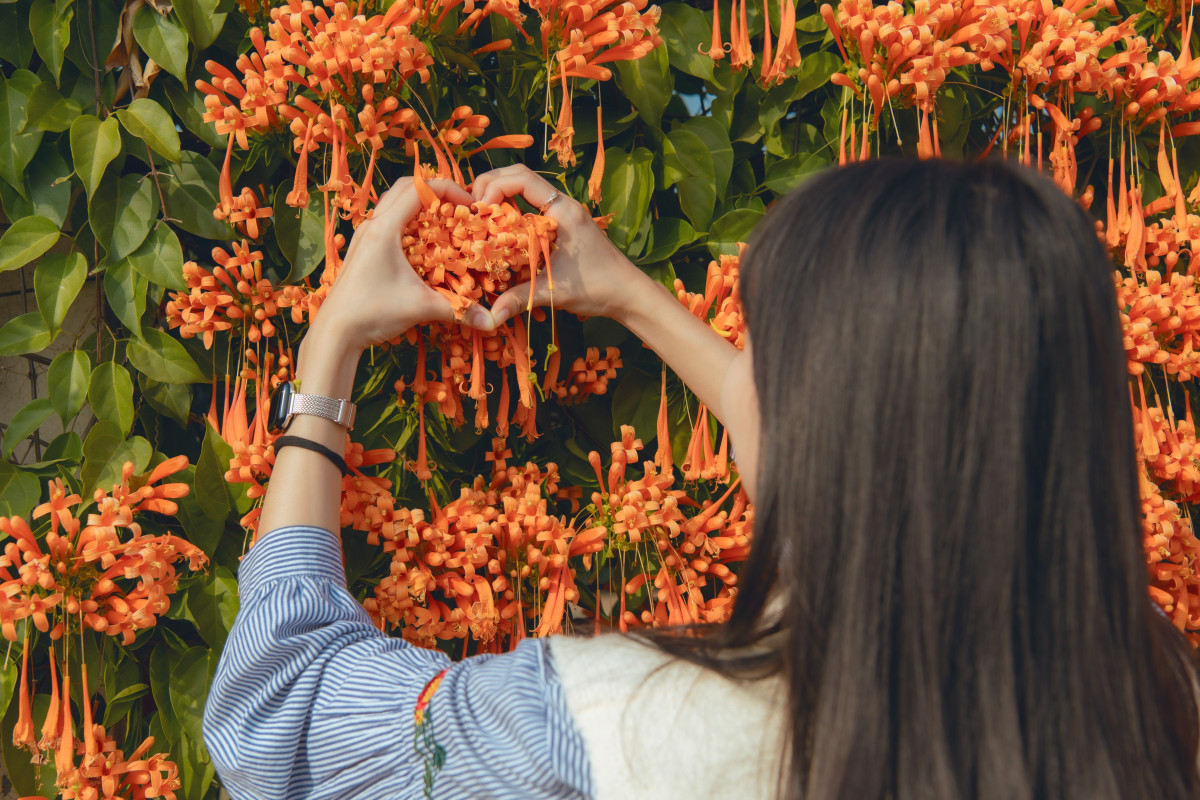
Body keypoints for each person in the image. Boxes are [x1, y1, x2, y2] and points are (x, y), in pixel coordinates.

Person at [202, 158, 1200, 799]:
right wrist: (629, 294)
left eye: (757, 341)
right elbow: (867, 451)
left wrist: (329, 347)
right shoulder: (1155, 693)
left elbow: (276, 712)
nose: (741, 364)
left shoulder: (604, 722)